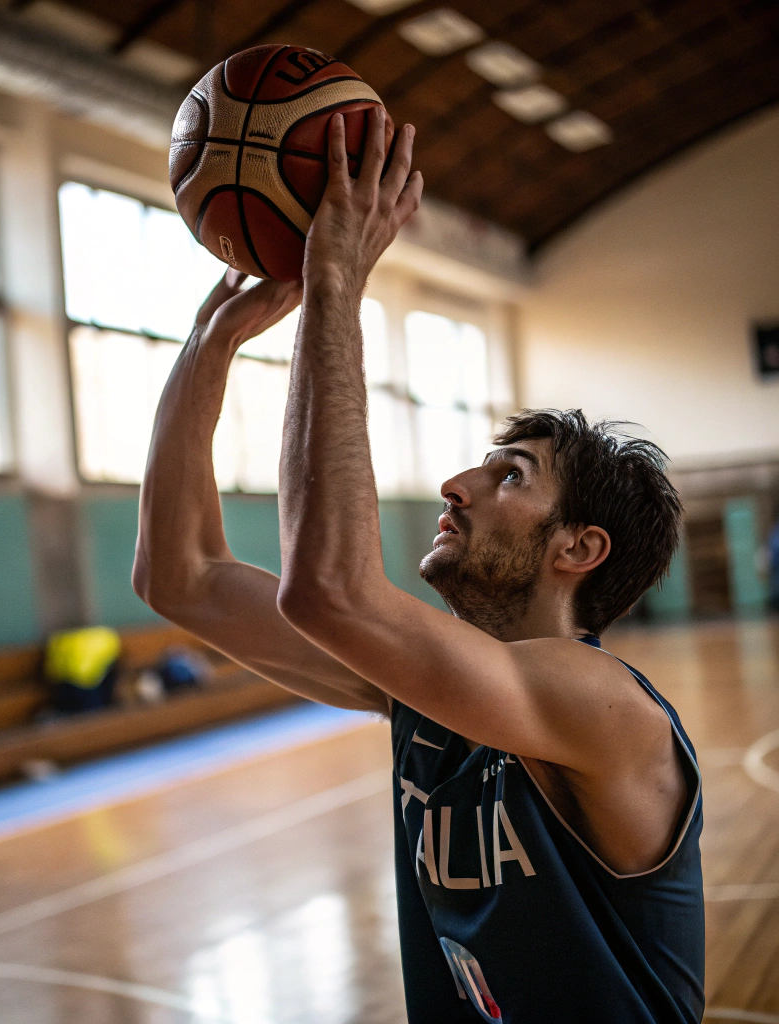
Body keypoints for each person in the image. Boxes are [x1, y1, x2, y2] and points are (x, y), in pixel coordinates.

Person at [134, 108, 703, 1022]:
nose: (455, 485)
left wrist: (337, 285)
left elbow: (326, 590)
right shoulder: (427, 696)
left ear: (578, 549)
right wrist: (210, 349)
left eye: (508, 476)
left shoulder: (605, 708)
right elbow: (181, 576)